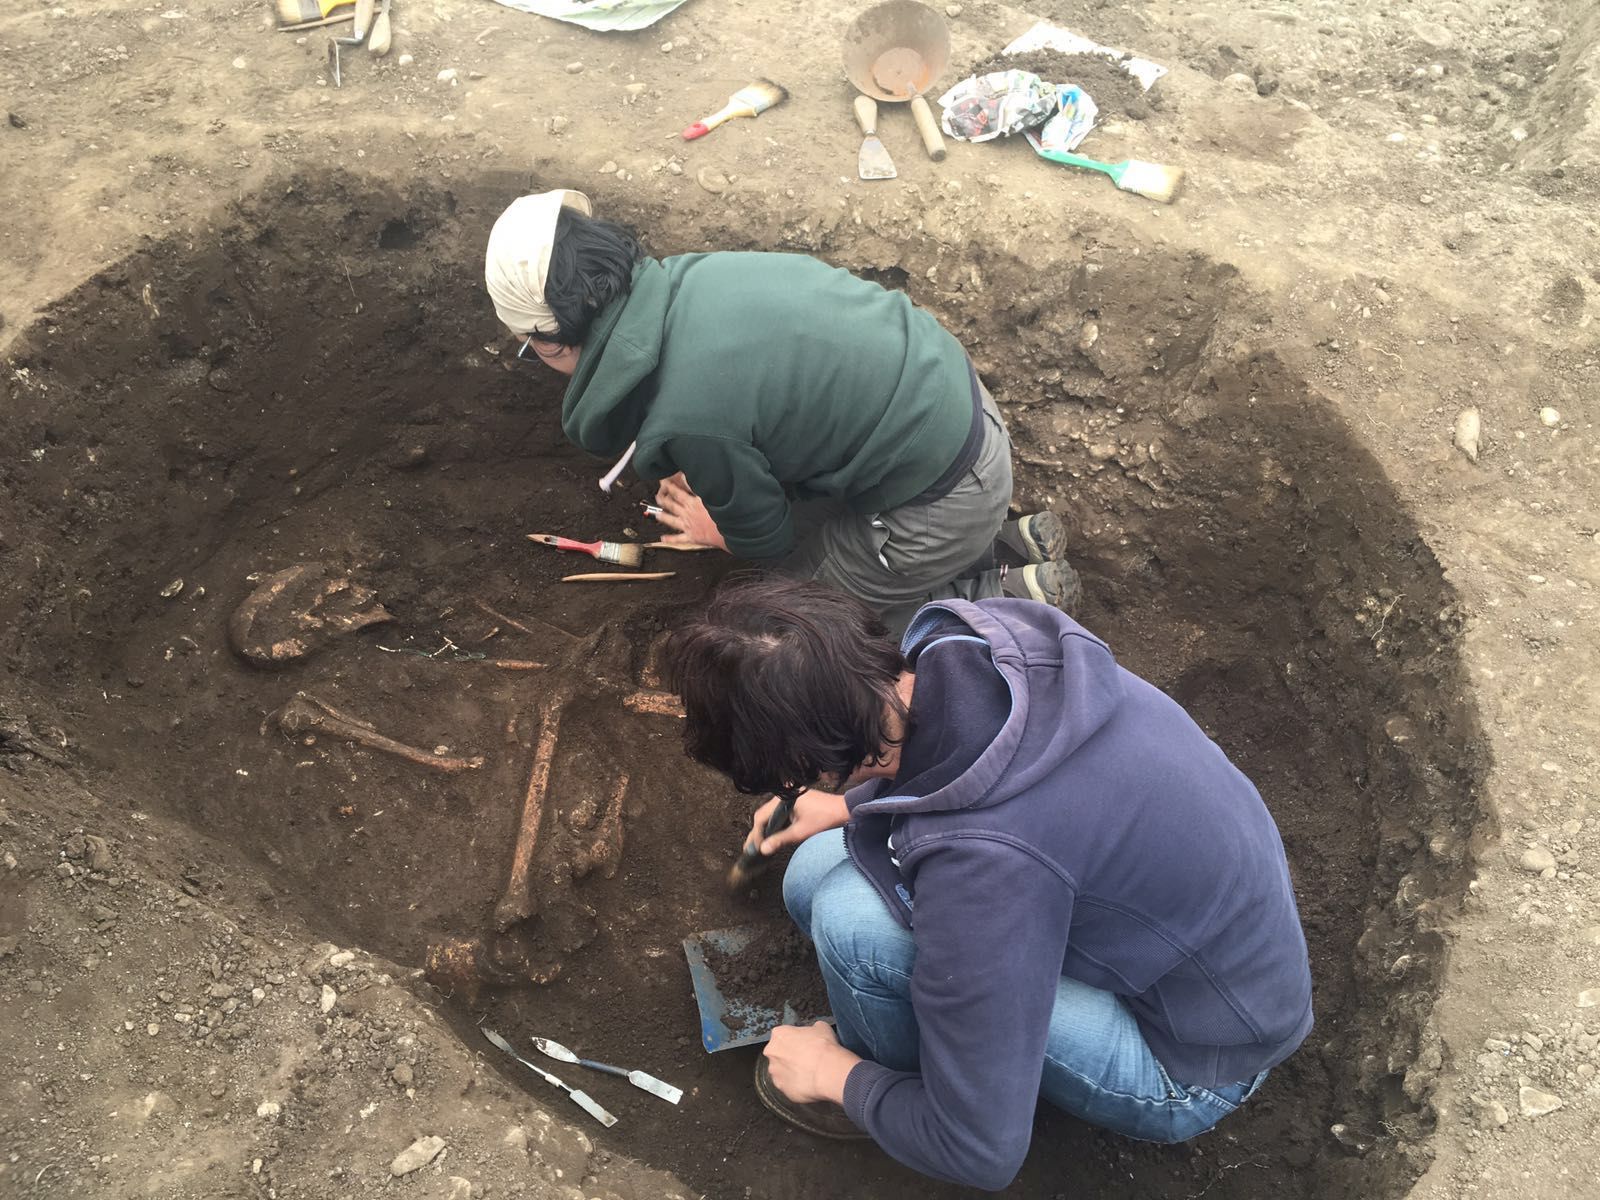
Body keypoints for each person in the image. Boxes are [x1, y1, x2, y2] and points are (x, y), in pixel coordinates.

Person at [665, 578, 1314, 1191]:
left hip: (1193, 1063)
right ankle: (930, 1039)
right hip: (1205, 951)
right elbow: (983, 778)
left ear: (808, 758)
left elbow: (981, 1151)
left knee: (848, 922)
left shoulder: (986, 870)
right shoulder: (973, 644)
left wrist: (838, 1076)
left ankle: (897, 1077)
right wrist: (856, 801)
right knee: (812, 873)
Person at [483, 189, 1080, 633]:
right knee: (827, 526)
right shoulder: (696, 278)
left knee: (801, 612)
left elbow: (762, 537)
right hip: (963, 419)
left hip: (940, 497)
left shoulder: (691, 414)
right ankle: (1005, 548)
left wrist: (716, 529)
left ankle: (996, 605)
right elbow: (761, 403)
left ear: (549, 337)